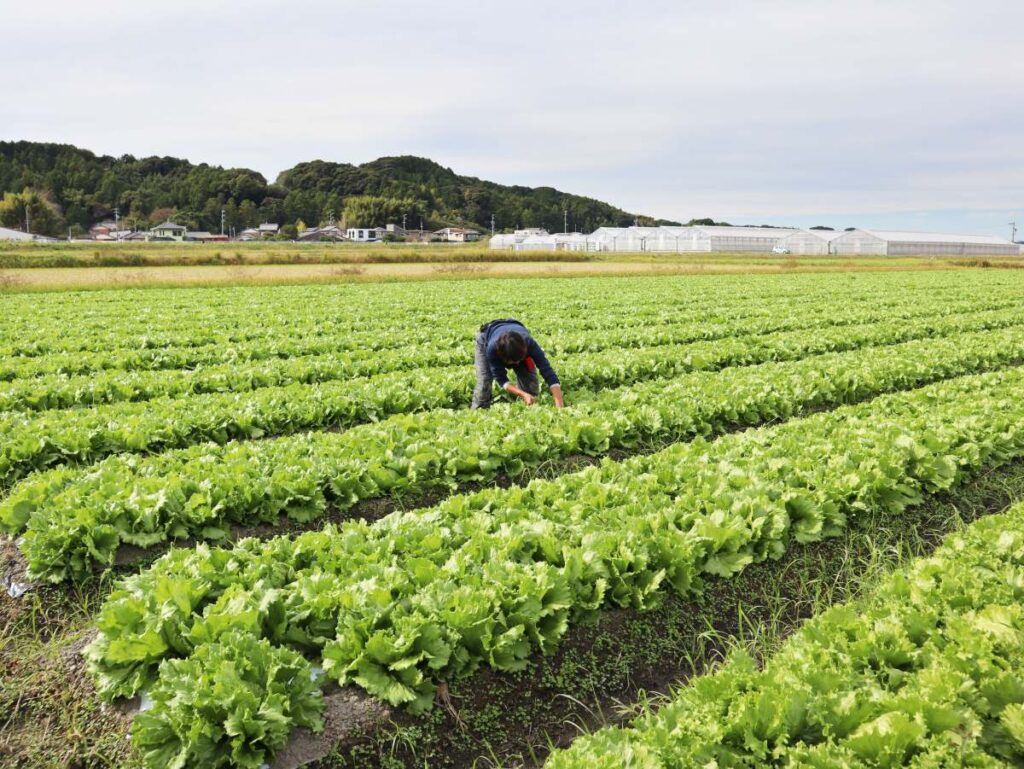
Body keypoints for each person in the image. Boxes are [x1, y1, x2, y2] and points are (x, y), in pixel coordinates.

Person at [473, 318, 565, 409]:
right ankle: (479, 409)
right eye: (513, 362)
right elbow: (501, 379)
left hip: (517, 341)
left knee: (530, 383)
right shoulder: (492, 350)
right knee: (484, 381)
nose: (517, 364)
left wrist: (559, 404)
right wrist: (522, 394)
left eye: (519, 360)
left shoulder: (530, 344)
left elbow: (548, 371)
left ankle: (528, 407)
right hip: (485, 338)